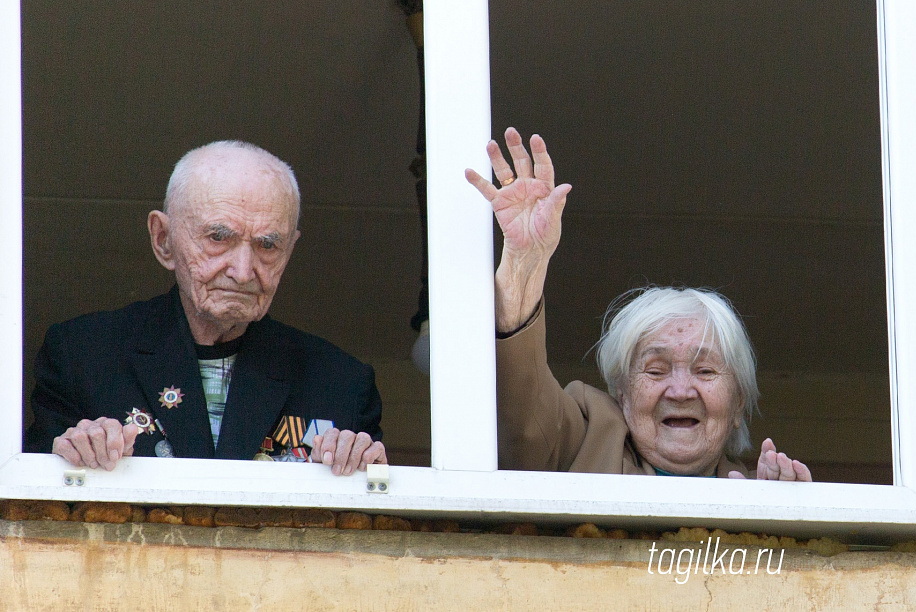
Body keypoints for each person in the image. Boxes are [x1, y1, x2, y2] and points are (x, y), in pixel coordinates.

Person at [466, 127, 811, 481]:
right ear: (623, 395)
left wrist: (782, 526)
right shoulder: (581, 441)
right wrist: (525, 263)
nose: (679, 390)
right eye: (655, 370)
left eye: (705, 371)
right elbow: (523, 419)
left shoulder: (760, 494)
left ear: (738, 404)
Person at [25, 140, 386, 476]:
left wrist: (364, 471)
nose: (243, 272)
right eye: (218, 238)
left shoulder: (341, 385)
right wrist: (75, 453)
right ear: (163, 240)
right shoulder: (82, 357)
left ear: (290, 250)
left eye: (268, 246)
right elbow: (27, 516)